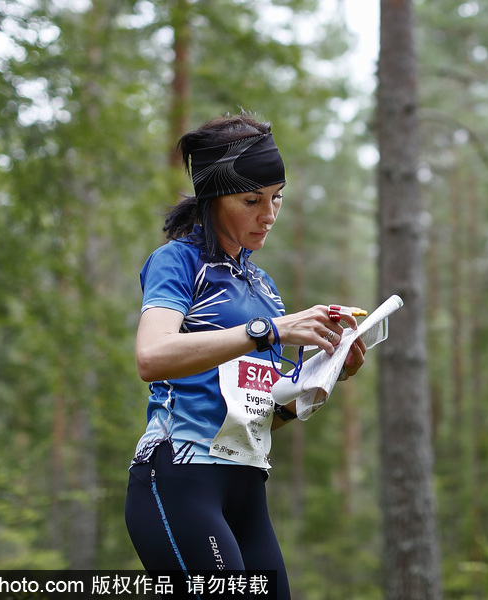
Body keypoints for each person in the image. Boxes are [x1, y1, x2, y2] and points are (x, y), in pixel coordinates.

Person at [124, 110, 366, 599]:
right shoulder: (179, 260)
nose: (269, 214)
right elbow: (152, 357)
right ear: (214, 197)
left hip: (247, 485)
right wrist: (269, 330)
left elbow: (261, 412)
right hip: (180, 478)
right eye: (252, 199)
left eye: (276, 199)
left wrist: (326, 375)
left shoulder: (262, 285)